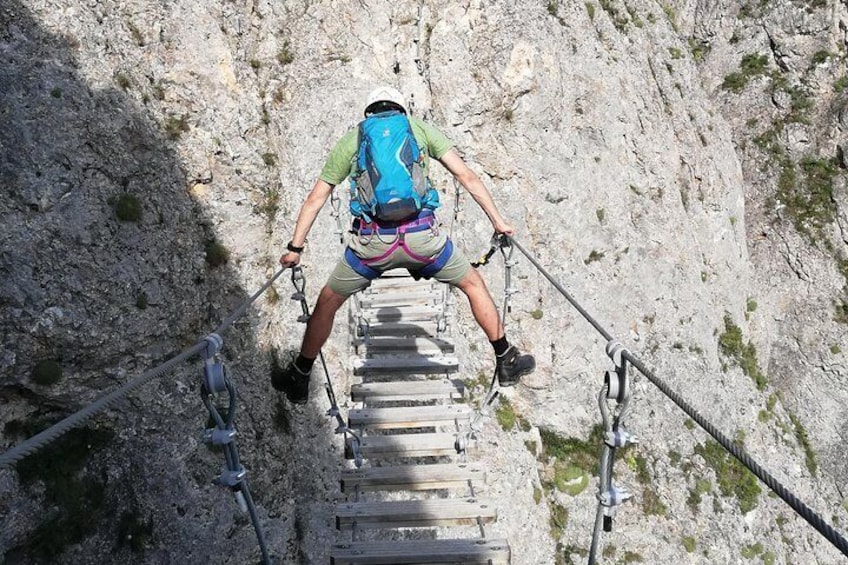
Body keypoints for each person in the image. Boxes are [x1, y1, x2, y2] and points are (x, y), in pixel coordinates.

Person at [275, 86, 535, 405]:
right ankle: (505, 358)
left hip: (373, 245)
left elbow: (316, 199)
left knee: (327, 302)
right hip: (423, 240)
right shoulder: (419, 129)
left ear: (369, 112)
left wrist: (295, 248)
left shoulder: (354, 138)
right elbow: (467, 177)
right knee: (472, 284)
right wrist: (498, 221)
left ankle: (300, 376)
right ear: (401, 109)